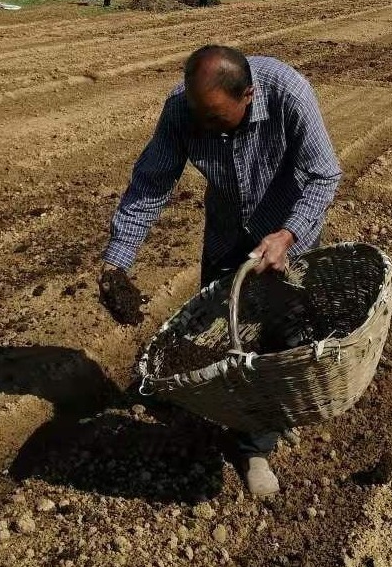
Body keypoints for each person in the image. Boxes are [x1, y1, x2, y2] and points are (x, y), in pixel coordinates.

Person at [97, 46, 341, 499]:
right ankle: (218, 407)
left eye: (214, 120)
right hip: (227, 229)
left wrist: (287, 234)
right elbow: (151, 184)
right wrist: (117, 261)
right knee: (220, 330)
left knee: (277, 338)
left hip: (286, 233)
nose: (204, 128)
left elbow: (324, 175)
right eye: (199, 118)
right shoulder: (184, 109)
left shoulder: (289, 94)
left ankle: (255, 448)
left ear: (248, 95)